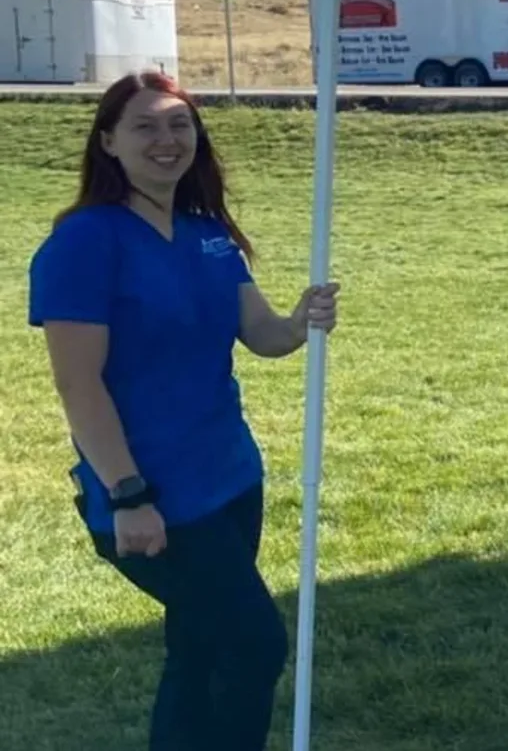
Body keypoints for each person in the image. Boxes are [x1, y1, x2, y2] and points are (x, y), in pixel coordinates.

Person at [27, 70, 340, 751]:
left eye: (179, 124)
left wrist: (301, 319)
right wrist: (128, 494)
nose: (166, 140)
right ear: (108, 141)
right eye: (144, 126)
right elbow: (78, 385)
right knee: (254, 645)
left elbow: (262, 335)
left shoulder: (208, 235)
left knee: (199, 650)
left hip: (229, 479)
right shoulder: (84, 242)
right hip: (150, 493)